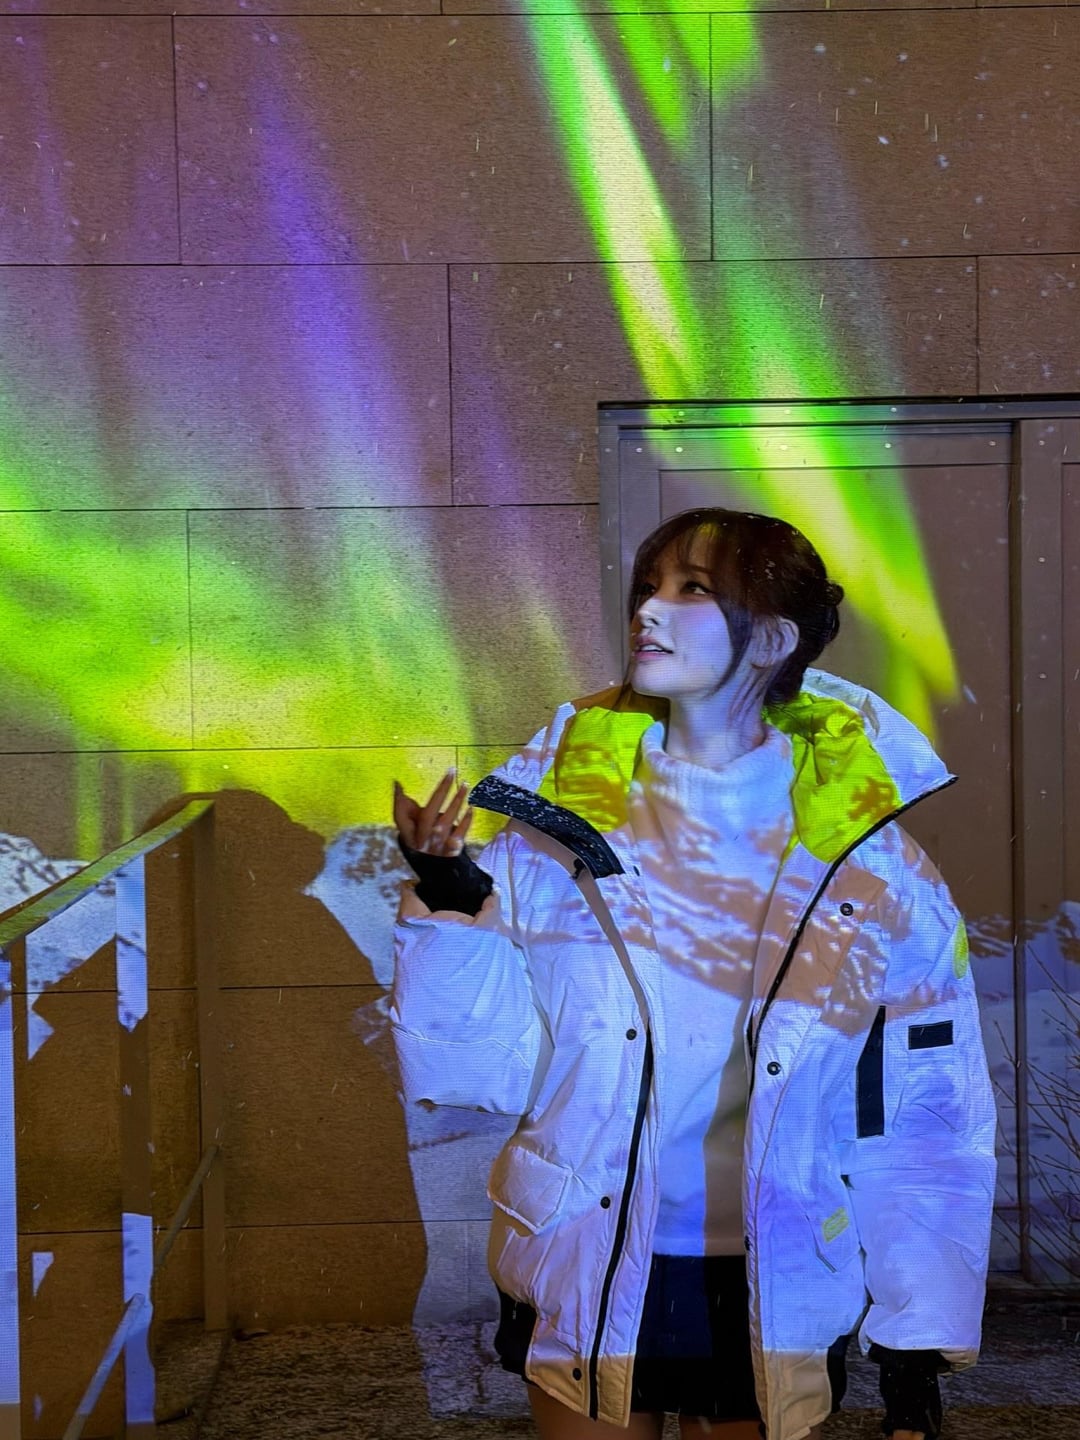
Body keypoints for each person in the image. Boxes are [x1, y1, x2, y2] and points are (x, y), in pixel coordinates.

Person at [389, 507, 997, 1440]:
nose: (648, 610)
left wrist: (916, 1350)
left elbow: (923, 1116)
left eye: (693, 590)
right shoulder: (556, 833)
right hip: (582, 1256)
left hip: (777, 1276)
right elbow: (480, 1075)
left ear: (776, 639)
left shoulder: (875, 868)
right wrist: (450, 900)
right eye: (648, 586)